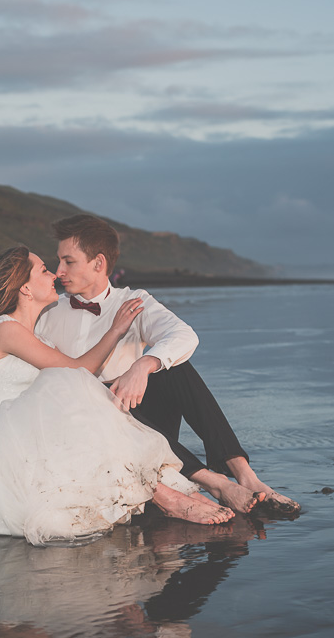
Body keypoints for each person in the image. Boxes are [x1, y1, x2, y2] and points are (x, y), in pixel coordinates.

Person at [0, 246, 235, 546]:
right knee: (75, 389)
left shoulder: (35, 334)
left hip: (31, 433)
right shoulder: (5, 329)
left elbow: (75, 371)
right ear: (24, 288)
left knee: (79, 396)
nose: (54, 275)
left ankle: (183, 486)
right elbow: (77, 370)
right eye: (44, 269)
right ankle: (170, 496)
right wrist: (116, 329)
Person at [35, 214, 300, 516]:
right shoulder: (49, 313)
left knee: (174, 366)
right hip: (95, 429)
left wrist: (144, 364)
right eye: (58, 261)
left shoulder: (134, 301)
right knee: (97, 393)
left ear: (98, 263)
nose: (58, 271)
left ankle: (245, 475)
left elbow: (184, 335)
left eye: (68, 262)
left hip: (146, 417)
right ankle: (214, 484)